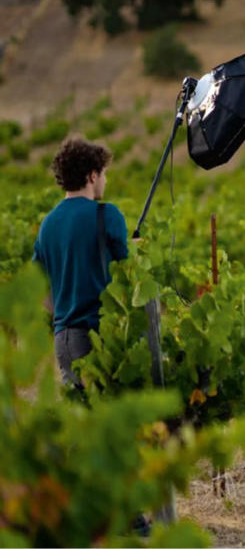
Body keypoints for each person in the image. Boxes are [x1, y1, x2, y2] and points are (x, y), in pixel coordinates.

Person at [34, 138, 128, 386]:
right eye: (104, 174)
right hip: (98, 338)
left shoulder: (47, 225)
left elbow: (37, 287)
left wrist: (64, 313)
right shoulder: (106, 215)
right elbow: (129, 272)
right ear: (92, 176)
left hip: (63, 340)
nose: (105, 181)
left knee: (79, 419)